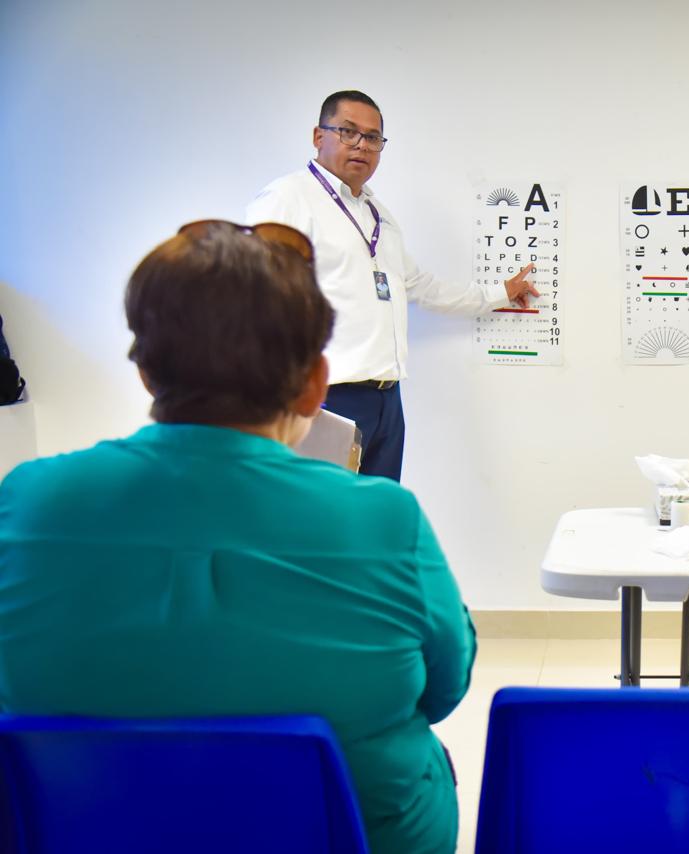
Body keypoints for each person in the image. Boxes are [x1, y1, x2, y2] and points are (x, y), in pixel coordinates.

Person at [0, 221, 477, 854]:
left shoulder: (28, 500)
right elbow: (445, 687)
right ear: (315, 383)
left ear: (146, 373)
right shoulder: (384, 519)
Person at [247, 89, 539, 481]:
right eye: (348, 132)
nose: (361, 145)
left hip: (386, 399)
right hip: (326, 398)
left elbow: (420, 286)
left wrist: (499, 293)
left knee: (376, 513)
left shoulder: (377, 214)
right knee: (322, 514)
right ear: (319, 136)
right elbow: (255, 296)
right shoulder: (288, 198)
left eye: (372, 137)